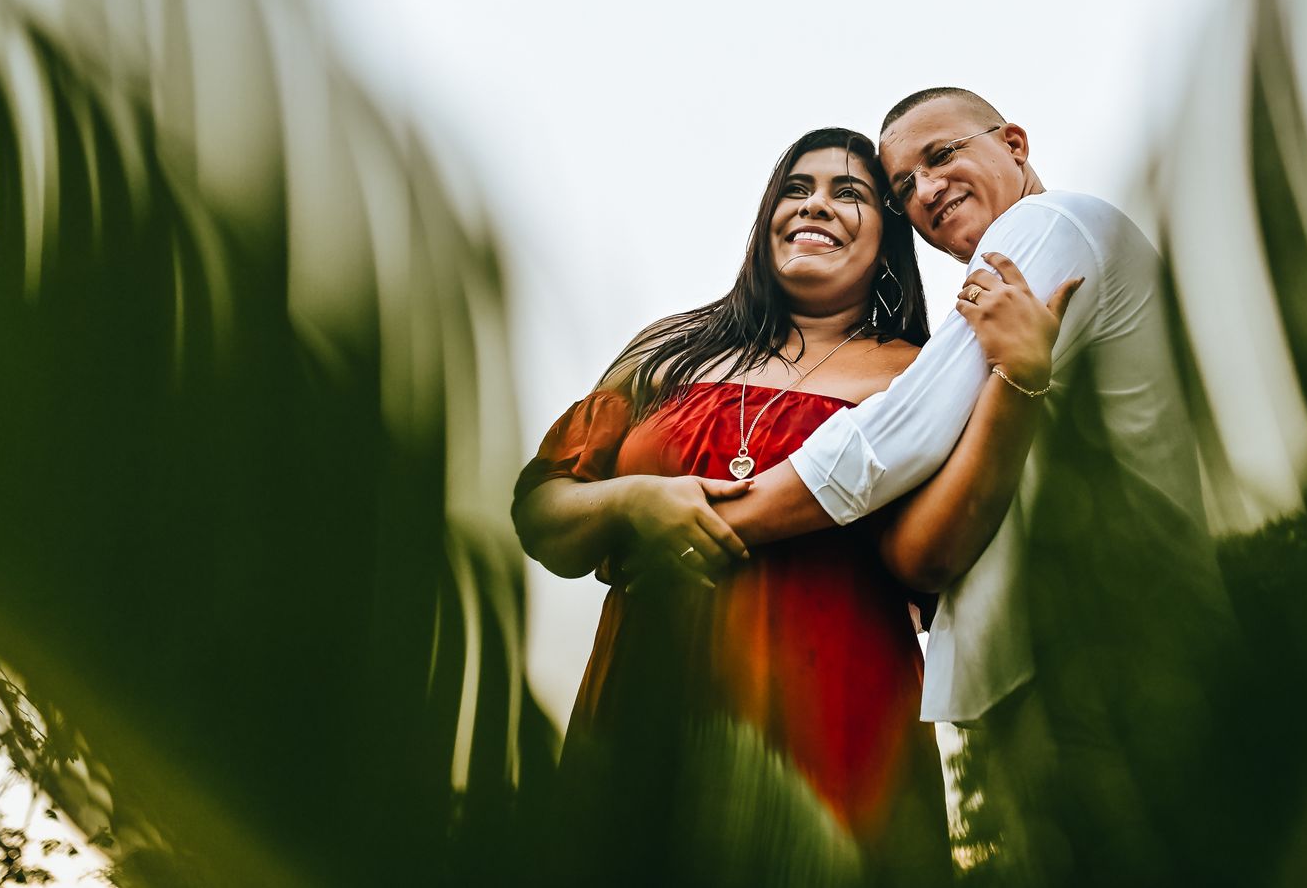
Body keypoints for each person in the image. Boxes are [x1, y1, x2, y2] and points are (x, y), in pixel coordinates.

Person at [651, 88, 1229, 884]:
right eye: (902, 186)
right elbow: (922, 555)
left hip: (1111, 658)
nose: (924, 191)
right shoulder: (1005, 314)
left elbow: (893, 436)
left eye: (941, 155)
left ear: (1014, 143)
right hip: (1063, 672)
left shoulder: (1046, 226)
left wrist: (706, 515)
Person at [510, 125, 1074, 886]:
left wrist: (1019, 378)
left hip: (841, 737)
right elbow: (543, 514)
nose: (815, 205)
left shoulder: (924, 375)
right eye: (796, 188)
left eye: (850, 193)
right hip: (649, 712)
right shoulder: (667, 351)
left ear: (887, 239)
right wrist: (634, 500)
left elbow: (935, 559)